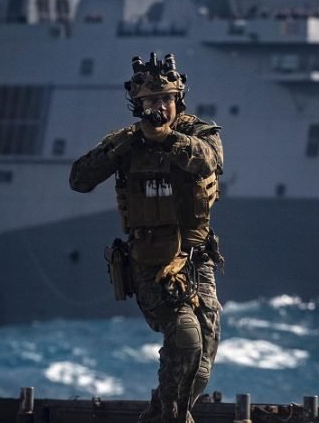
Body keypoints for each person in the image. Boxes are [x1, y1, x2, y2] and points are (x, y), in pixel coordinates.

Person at [69, 52, 224, 423]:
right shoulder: (127, 142)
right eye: (151, 102)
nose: (160, 107)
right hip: (151, 262)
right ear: (138, 106)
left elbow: (209, 162)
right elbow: (79, 179)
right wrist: (130, 143)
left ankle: (159, 414)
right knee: (185, 340)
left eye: (166, 99)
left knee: (201, 364)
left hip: (196, 260)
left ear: (178, 101)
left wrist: (169, 139)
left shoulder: (199, 133)